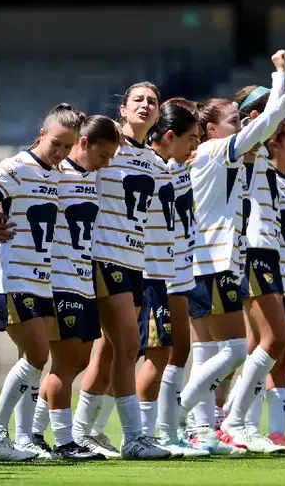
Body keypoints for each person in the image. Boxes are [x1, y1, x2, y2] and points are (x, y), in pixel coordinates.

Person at [178, 51, 285, 455]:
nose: (245, 124)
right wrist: (284, 82)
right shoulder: (221, 152)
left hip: (229, 255)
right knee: (257, 343)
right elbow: (266, 121)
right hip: (235, 253)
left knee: (214, 349)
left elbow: (267, 122)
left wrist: (283, 86)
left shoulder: (241, 153)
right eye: (236, 119)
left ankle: (209, 426)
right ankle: (216, 419)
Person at [0, 104, 82, 460]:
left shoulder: (56, 173)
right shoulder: (18, 165)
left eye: (68, 146)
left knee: (32, 360)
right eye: (56, 144)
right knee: (38, 355)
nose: (61, 152)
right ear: (41, 134)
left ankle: (24, 438)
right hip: (11, 278)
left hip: (41, 280)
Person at [76, 82, 171, 460]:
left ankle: (83, 432)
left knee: (109, 350)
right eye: (138, 100)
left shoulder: (155, 163)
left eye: (152, 102)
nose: (146, 106)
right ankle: (134, 437)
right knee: (130, 345)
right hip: (104, 255)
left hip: (135, 263)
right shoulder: (107, 144)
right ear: (123, 109)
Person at [31, 115, 120, 460]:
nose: (106, 163)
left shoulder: (93, 177)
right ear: (84, 143)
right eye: (102, 154)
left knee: (80, 359)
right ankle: (64, 441)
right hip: (59, 279)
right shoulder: (57, 172)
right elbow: (10, 190)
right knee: (66, 361)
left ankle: (35, 433)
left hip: (83, 280)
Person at [239, 119, 285, 452]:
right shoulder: (260, 172)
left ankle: (278, 431)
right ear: (274, 144)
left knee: (284, 355)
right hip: (267, 268)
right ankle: (241, 423)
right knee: (263, 346)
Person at [143, 103, 206, 457]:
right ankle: (144, 434)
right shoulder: (153, 165)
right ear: (170, 135)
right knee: (150, 355)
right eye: (192, 137)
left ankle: (166, 432)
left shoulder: (178, 166)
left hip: (178, 268)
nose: (196, 144)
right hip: (155, 272)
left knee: (176, 350)